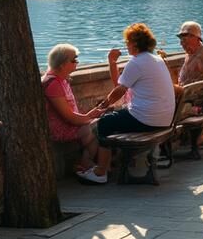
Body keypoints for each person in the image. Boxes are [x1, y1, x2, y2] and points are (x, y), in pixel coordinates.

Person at [82, 23, 178, 184]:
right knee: (116, 116)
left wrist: (102, 106)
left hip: (146, 119)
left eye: (127, 42)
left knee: (104, 123)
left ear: (134, 43)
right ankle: (111, 165)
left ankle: (101, 172)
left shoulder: (136, 62)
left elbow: (120, 89)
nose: (126, 45)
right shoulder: (157, 59)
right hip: (165, 119)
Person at [43, 43, 102, 175]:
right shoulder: (53, 84)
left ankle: (88, 163)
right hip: (61, 129)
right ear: (62, 64)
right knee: (101, 126)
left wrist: (90, 116)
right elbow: (69, 117)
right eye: (74, 60)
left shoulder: (61, 80)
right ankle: (86, 164)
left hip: (70, 124)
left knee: (103, 122)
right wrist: (90, 117)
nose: (77, 62)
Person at [174, 22, 203, 86]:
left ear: (195, 38)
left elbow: (202, 81)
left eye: (184, 40)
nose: (181, 44)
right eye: (181, 40)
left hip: (195, 93)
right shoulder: (191, 54)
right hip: (188, 90)